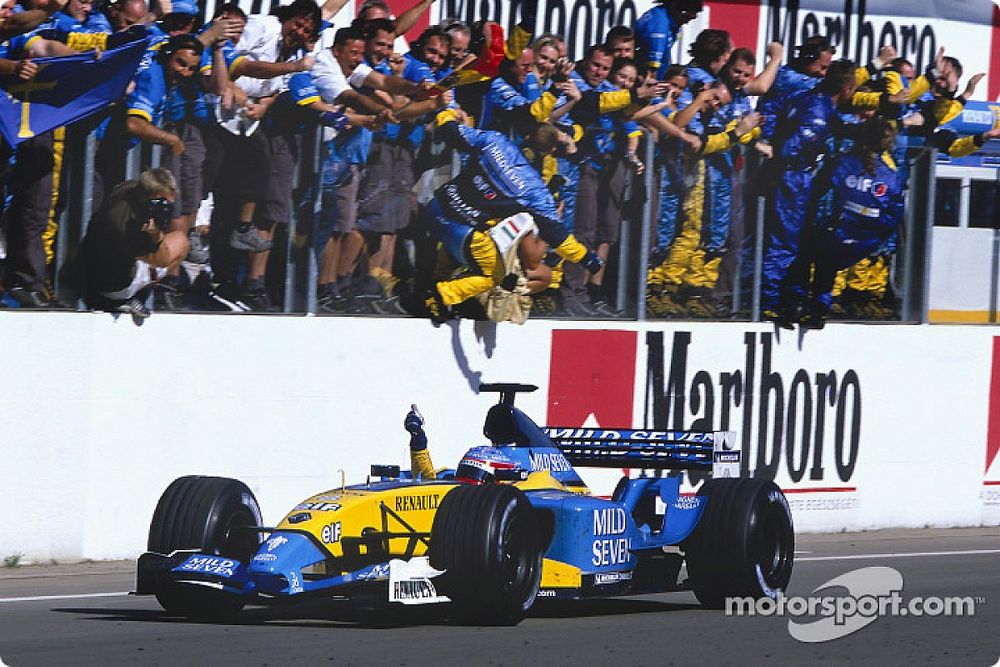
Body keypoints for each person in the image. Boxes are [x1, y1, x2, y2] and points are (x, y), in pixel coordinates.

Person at [408, 107, 603, 324]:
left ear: (527, 137)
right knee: (494, 276)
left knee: (456, 255)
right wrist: (587, 259)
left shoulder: (495, 140)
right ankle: (441, 295)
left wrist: (447, 112)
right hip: (464, 232)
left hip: (438, 207)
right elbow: (558, 237)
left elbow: (450, 132)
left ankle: (422, 288)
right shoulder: (537, 193)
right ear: (549, 153)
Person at [785, 117, 904, 330]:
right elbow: (894, 216)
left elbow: (819, 192)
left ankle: (797, 303)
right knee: (827, 258)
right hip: (863, 243)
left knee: (807, 250)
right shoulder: (892, 176)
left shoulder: (842, 162)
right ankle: (819, 309)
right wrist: (875, 237)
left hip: (838, 233)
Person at [82, 169, 190, 319]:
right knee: (181, 242)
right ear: (151, 196)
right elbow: (162, 261)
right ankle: (132, 298)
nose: (166, 208)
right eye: (163, 203)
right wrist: (156, 235)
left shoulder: (130, 188)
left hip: (93, 267)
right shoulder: (127, 225)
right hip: (113, 287)